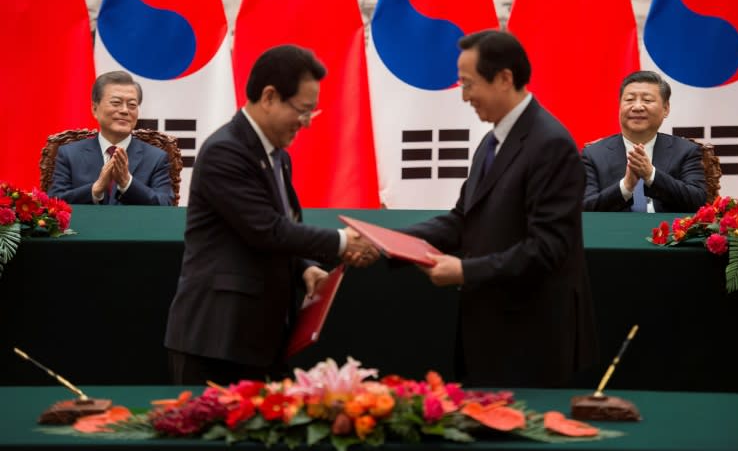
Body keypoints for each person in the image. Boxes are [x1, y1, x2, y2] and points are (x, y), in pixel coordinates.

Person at [164, 45, 377, 384]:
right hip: (217, 340)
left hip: (259, 339)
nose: (306, 123)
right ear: (269, 96)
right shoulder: (226, 150)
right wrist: (340, 241)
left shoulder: (278, 155)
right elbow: (267, 230)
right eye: (303, 111)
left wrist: (305, 267)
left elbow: (282, 228)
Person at [401, 30, 598, 388]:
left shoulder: (551, 144)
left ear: (504, 78)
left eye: (468, 84)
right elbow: (463, 219)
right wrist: (391, 241)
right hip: (489, 330)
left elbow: (548, 248)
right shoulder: (493, 141)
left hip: (531, 337)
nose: (464, 97)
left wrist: (465, 271)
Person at [582, 70, 707, 212]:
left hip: (668, 233)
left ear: (665, 109)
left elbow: (698, 202)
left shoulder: (685, 151)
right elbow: (585, 208)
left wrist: (651, 175)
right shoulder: (593, 155)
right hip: (613, 233)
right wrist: (625, 187)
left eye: (647, 100)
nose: (637, 107)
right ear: (619, 106)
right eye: (629, 100)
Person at [48, 70, 174, 206]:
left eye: (132, 105)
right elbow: (54, 204)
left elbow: (165, 205)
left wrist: (127, 183)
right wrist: (95, 190)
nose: (125, 110)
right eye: (116, 103)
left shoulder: (156, 158)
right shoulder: (69, 155)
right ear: (94, 109)